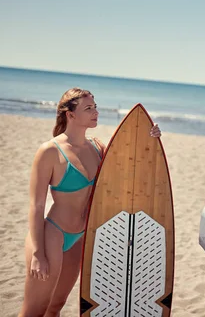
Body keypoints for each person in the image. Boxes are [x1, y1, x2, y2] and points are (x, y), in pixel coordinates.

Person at [19, 88, 161, 317]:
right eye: (88, 108)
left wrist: (150, 139)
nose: (96, 112)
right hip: (51, 235)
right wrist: (38, 254)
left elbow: (130, 169)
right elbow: (36, 206)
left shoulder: (97, 147)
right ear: (70, 114)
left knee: (56, 306)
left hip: (79, 237)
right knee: (35, 310)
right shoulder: (50, 151)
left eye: (95, 107)